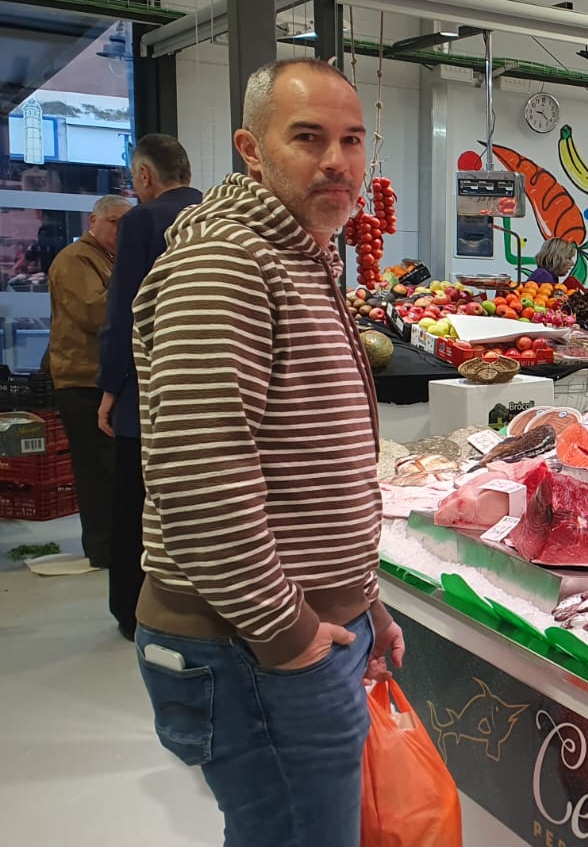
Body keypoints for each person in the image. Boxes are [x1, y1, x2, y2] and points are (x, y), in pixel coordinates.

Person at [130, 58, 403, 847]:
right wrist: (290, 634)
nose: (336, 162)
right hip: (248, 646)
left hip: (285, 636)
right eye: (308, 138)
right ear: (251, 149)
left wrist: (363, 596)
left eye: (352, 141)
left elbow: (306, 465)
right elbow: (199, 478)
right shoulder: (227, 264)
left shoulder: (300, 254)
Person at [96, 133, 203, 640]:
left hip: (149, 391)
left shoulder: (142, 221)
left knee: (136, 502)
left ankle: (131, 610)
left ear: (144, 176)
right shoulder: (212, 215)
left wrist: (111, 387)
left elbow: (126, 311)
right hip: (206, 388)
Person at [46, 194, 129, 571]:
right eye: (114, 222)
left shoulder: (108, 259)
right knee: (97, 472)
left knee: (110, 470)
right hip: (82, 379)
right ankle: (103, 549)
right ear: (92, 222)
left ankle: (112, 547)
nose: (120, 230)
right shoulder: (76, 259)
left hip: (101, 377)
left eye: (126, 223)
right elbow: (95, 312)